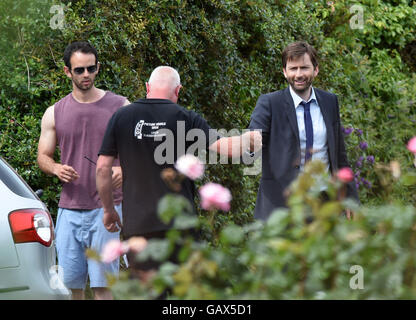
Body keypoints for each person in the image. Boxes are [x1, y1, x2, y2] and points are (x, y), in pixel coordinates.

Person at [96, 66, 260, 282]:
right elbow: (227, 148)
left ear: (147, 87)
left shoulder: (121, 117)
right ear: (178, 90)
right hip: (179, 225)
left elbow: (102, 168)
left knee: (145, 290)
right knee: (180, 290)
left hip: (138, 225)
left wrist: (109, 210)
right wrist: (252, 139)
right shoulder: (185, 118)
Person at [37, 41, 129, 300]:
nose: (86, 75)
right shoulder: (54, 112)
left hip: (107, 210)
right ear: (68, 72)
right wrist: (55, 168)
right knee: (70, 288)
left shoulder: (121, 107)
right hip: (70, 210)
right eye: (79, 70)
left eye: (91, 69)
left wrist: (126, 169)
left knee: (104, 287)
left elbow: (141, 151)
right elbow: (42, 157)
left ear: (98, 68)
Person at [249, 41, 359, 221]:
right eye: (293, 68)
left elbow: (339, 155)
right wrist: (251, 142)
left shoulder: (330, 102)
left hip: (324, 203)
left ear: (316, 70)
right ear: (284, 71)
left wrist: (351, 197)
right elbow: (254, 137)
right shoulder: (269, 103)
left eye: (304, 68)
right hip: (281, 204)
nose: (298, 74)